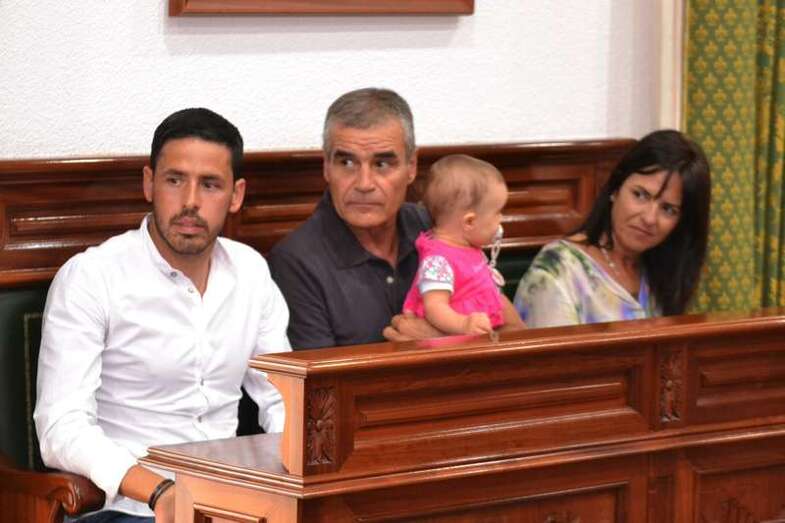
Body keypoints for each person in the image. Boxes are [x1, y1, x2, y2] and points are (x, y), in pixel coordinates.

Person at [34, 108, 291, 522]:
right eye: (175, 180)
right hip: (127, 508)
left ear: (236, 195)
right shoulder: (92, 277)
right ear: (149, 183)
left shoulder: (251, 272)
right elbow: (60, 427)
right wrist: (159, 492)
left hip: (232, 506)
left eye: (210, 184)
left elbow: (282, 399)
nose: (190, 202)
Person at [269, 87, 521, 349]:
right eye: (347, 163)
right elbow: (320, 376)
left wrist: (441, 343)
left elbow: (518, 335)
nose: (364, 184)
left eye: (382, 164)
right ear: (326, 167)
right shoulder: (296, 261)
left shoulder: (436, 226)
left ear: (411, 167)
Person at [514, 129, 711, 328]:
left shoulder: (660, 269)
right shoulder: (559, 269)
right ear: (616, 188)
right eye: (640, 195)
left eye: (668, 209)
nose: (650, 218)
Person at [402, 154, 510, 335]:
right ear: (469, 222)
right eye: (498, 212)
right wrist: (463, 325)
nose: (501, 219)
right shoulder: (438, 261)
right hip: (454, 337)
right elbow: (434, 307)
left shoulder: (469, 247)